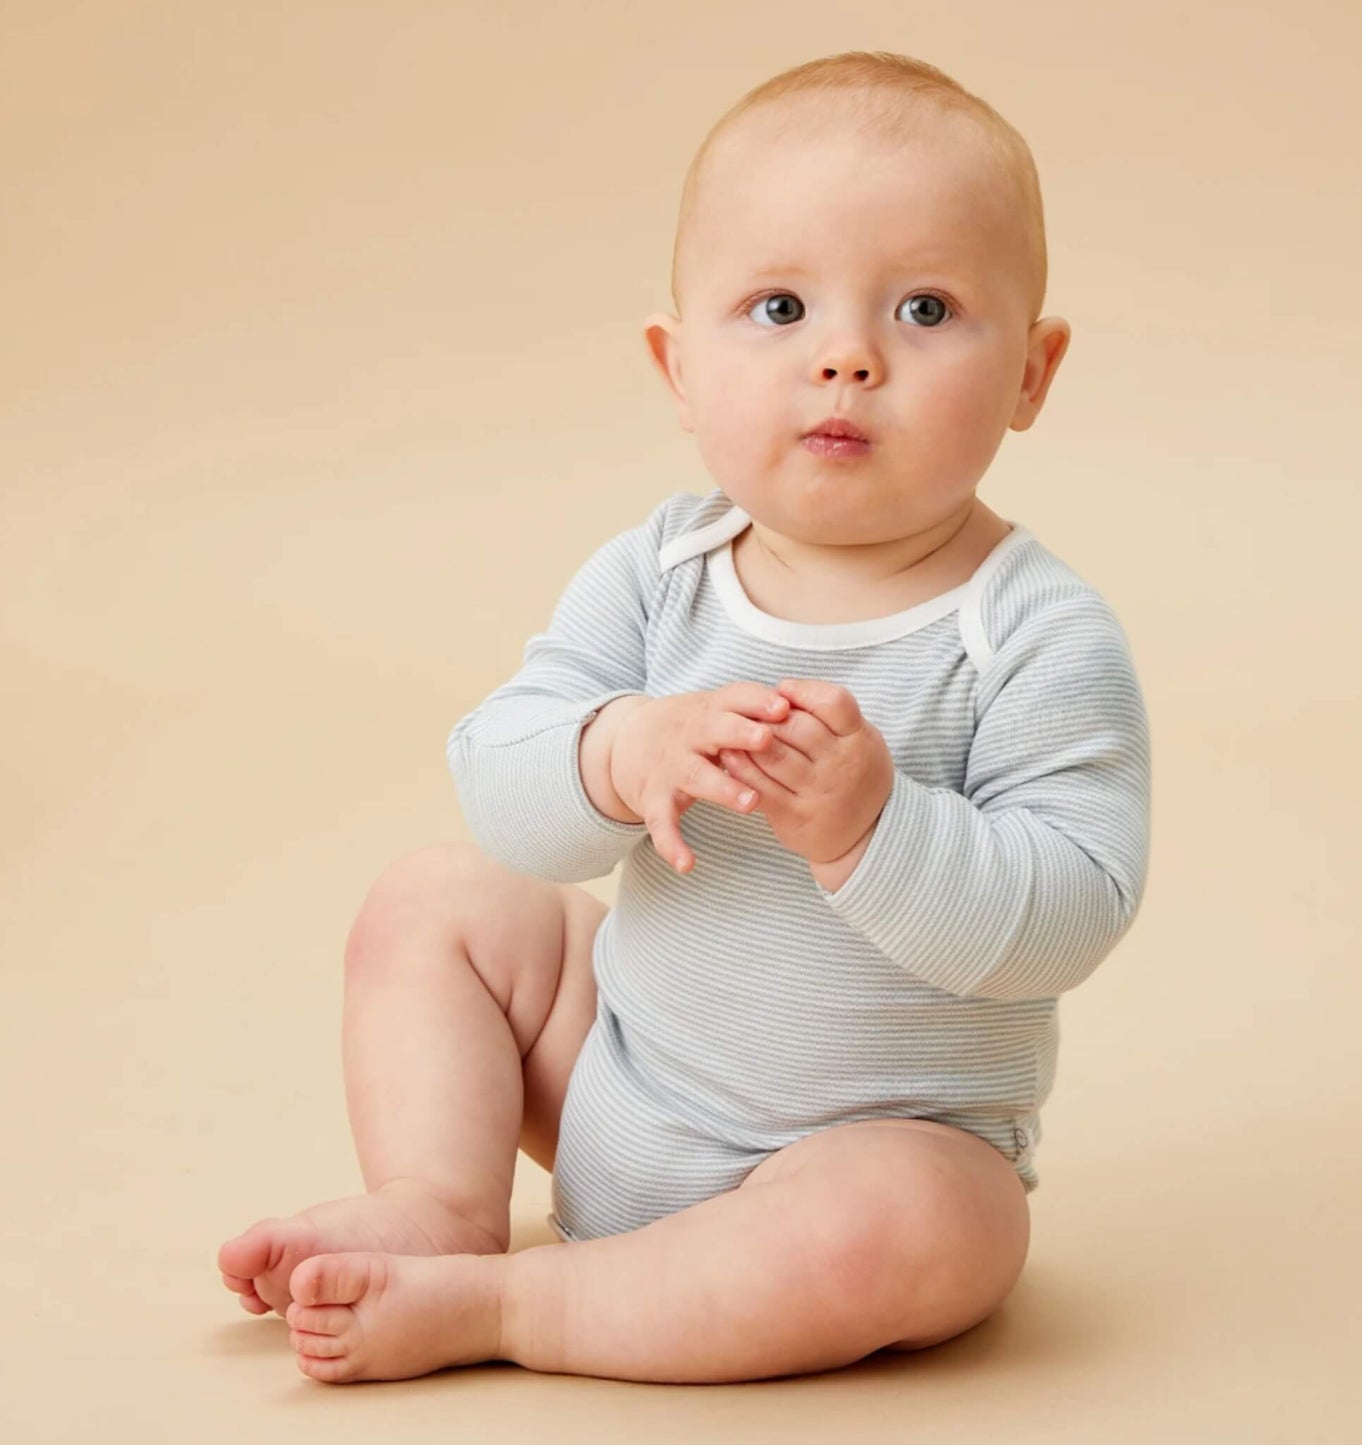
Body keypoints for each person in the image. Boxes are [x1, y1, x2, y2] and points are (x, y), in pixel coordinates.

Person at [217, 49, 1151, 1386]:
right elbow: (500, 776)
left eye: (926, 307)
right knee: (433, 898)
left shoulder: (1032, 632)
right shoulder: (661, 573)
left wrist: (878, 829)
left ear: (1031, 372)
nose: (844, 356)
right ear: (675, 366)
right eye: (777, 305)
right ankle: (439, 1203)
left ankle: (514, 1308)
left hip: (868, 1152)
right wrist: (615, 749)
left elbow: (1077, 903)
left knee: (931, 1223)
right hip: (626, 1078)